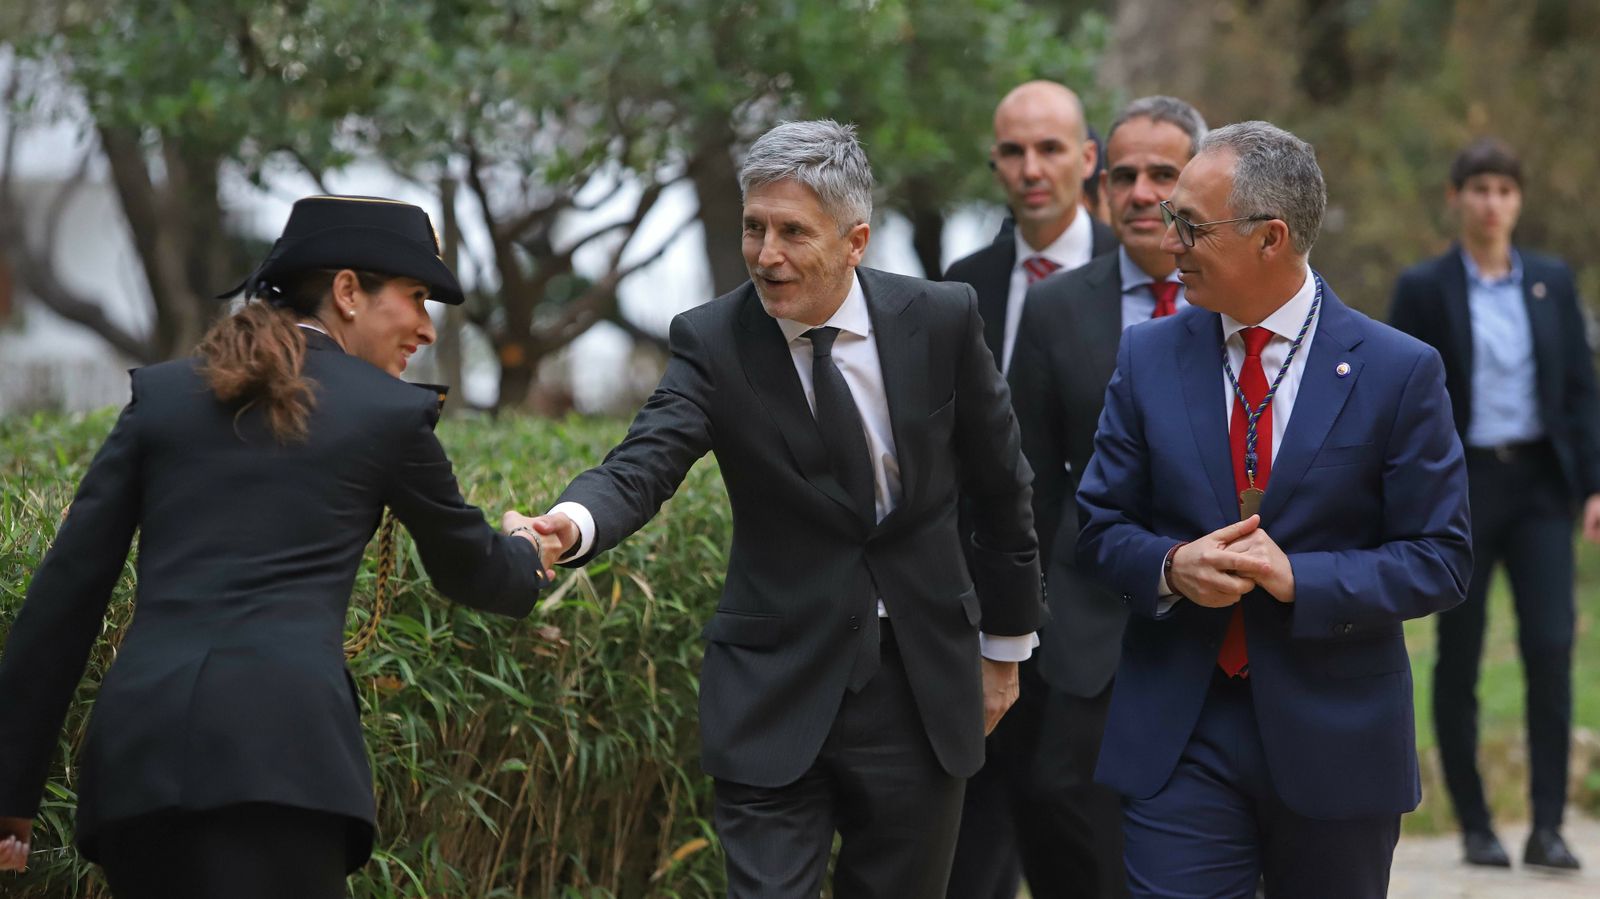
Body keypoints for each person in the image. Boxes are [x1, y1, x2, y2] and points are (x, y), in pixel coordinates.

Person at [524, 119, 1043, 898]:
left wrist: (1003, 653)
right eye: (754, 228)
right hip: (773, 691)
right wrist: (574, 521)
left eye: (793, 232)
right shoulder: (713, 339)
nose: (767, 255)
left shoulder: (941, 319)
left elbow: (1004, 490)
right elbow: (644, 462)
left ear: (855, 240)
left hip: (922, 688)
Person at [0, 196, 555, 897]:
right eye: (415, 297)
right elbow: (474, 572)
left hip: (140, 769)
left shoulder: (163, 396)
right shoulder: (390, 414)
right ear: (348, 292)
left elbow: (66, 593)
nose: (424, 326)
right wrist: (528, 551)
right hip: (285, 768)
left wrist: (9, 786)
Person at [1075, 122, 1471, 898]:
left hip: (1338, 736)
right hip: (1180, 730)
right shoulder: (1147, 357)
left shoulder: (1400, 371)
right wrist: (1169, 565)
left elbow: (1441, 557)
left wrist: (1303, 579)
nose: (1168, 237)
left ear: (1270, 238)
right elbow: (1098, 524)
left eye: (1191, 224)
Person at [1002, 95, 1208, 899]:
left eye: (1165, 173)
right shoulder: (1058, 306)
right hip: (1088, 635)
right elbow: (1021, 475)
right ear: (1100, 182)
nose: (1142, 192)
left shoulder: (1240, 301)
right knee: (1076, 835)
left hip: (1220, 628)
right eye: (1124, 174)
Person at [1388, 138, 1596, 871]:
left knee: (1550, 648)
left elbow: (1580, 389)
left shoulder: (1550, 281)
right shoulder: (1424, 288)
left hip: (1541, 484)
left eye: (1505, 190)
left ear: (1519, 201)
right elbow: (1402, 400)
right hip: (1463, 486)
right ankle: (1475, 821)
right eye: (1478, 188)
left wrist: (1593, 485)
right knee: (1461, 652)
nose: (1491, 203)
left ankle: (1547, 825)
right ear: (1457, 199)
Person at [944, 81, 1116, 377]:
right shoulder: (965, 284)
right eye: (1013, 152)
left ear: (1087, 159)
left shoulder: (1127, 266)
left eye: (1050, 149)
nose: (1031, 171)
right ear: (995, 162)